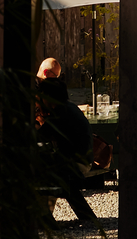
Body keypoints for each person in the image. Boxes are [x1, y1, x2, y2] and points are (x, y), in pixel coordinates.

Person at [36, 61, 100, 229]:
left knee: (39, 172)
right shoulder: (68, 108)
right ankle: (46, 217)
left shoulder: (59, 113)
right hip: (83, 161)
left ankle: (43, 217)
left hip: (75, 165)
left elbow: (37, 137)